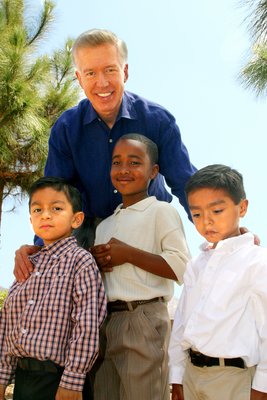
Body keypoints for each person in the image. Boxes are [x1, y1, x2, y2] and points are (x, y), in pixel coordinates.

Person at [14, 27, 196, 281]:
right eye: (90, 73)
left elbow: (185, 181)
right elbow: (55, 194)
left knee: (142, 294)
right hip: (90, 225)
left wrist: (226, 231)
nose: (101, 83)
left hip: (147, 217)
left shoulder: (157, 120)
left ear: (125, 72)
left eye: (110, 70)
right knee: (52, 273)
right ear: (79, 78)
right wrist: (41, 246)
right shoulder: (67, 128)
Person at [90, 133, 190, 400]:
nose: (123, 169)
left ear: (153, 171)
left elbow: (181, 267)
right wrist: (96, 263)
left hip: (143, 318)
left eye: (134, 162)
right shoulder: (104, 226)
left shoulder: (161, 211)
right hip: (106, 322)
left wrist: (129, 254)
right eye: (116, 162)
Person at [0, 177, 107, 400]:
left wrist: (73, 380)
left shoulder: (80, 262)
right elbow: (8, 325)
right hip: (23, 380)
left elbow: (86, 325)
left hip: (58, 381)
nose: (45, 215)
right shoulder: (28, 265)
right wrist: (2, 378)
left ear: (77, 219)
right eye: (37, 209)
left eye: (56, 208)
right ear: (31, 219)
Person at [168, 164, 267, 400]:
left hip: (232, 379)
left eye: (217, 211)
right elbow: (181, 323)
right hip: (192, 375)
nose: (207, 222)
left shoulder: (257, 262)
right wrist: (177, 376)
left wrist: (262, 386)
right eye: (197, 214)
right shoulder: (197, 264)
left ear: (242, 207)